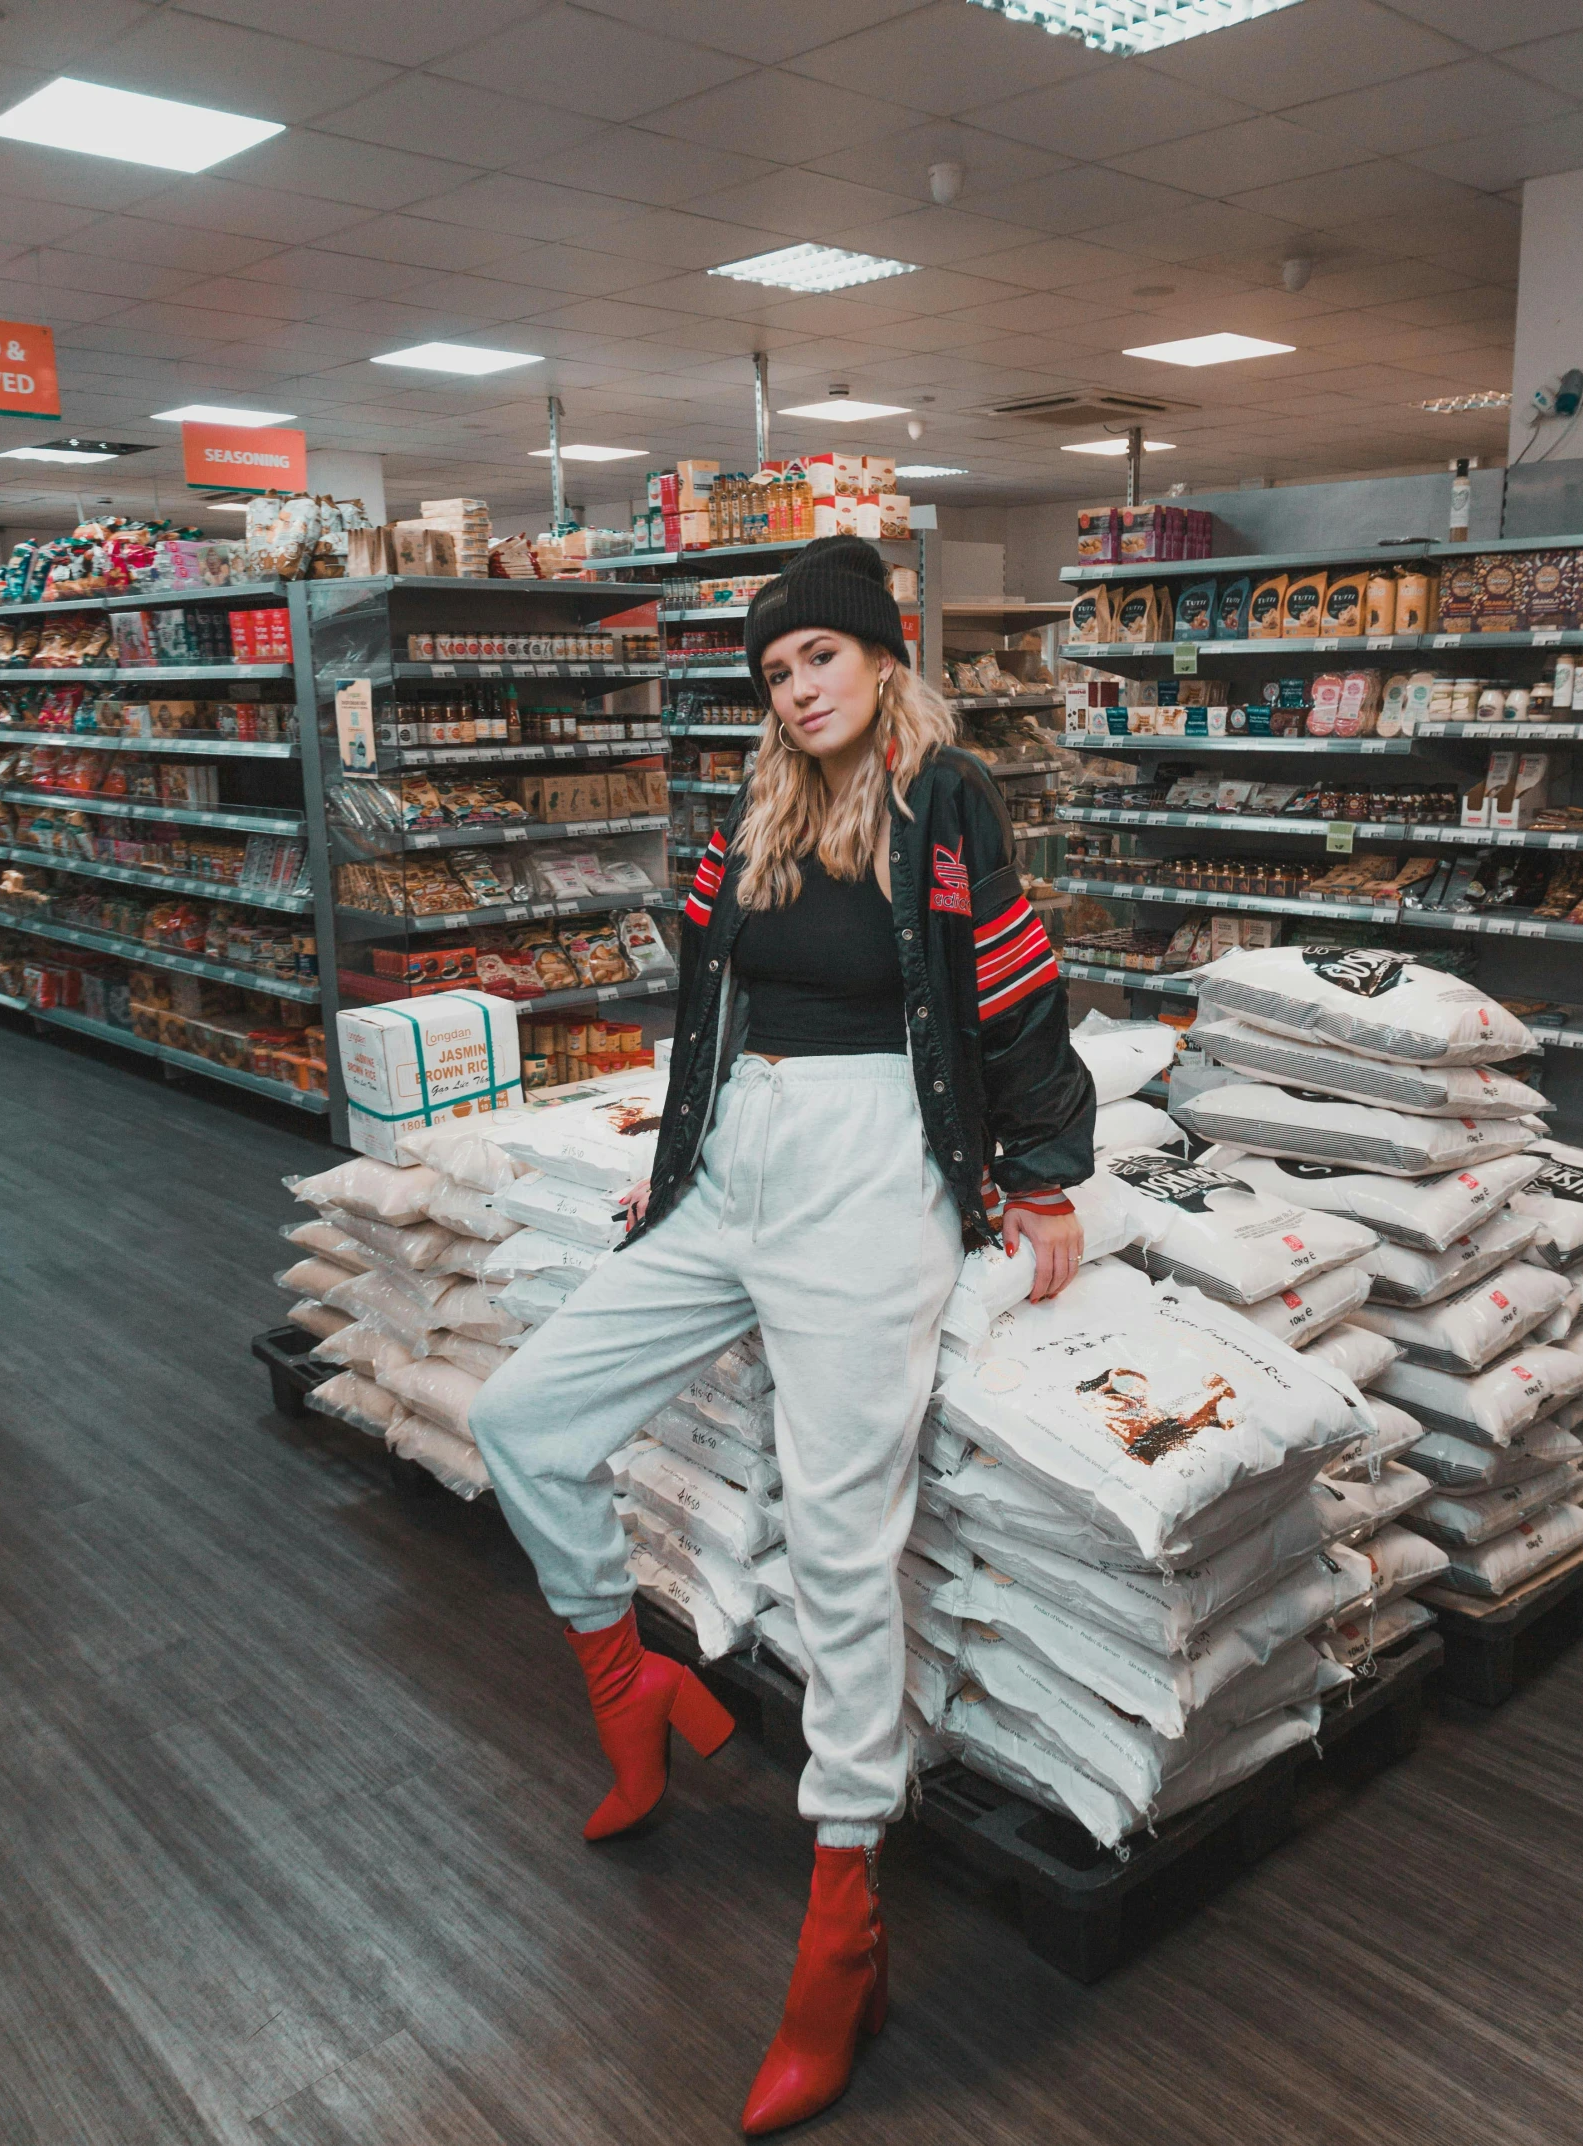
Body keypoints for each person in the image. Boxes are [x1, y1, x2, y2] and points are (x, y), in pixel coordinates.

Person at [471, 535, 1097, 2134]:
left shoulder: (943, 796)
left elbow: (1016, 985)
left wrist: (1043, 1178)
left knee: (838, 1540)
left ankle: (841, 1933)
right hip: (737, 1159)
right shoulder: (749, 807)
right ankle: (637, 1696)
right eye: (774, 672)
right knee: (525, 1416)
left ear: (881, 654)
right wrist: (671, 1163)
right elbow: (711, 1005)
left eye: (818, 656)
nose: (797, 687)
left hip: (877, 1167)